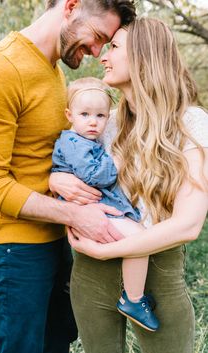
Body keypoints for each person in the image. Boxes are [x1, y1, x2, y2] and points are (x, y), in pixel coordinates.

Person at [0, 1, 137, 352]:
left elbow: (40, 155)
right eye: (96, 37)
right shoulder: (2, 70)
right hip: (12, 250)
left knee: (57, 342)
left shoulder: (52, 68)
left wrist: (53, 179)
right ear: (71, 6)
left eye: (104, 44)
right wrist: (76, 214)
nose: (96, 52)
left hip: (52, 241)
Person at [49, 18, 208, 353]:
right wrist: (55, 178)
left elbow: (189, 224)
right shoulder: (103, 122)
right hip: (90, 274)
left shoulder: (191, 122)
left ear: (144, 56)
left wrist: (109, 249)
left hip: (157, 276)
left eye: (115, 47)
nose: (103, 56)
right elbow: (69, 164)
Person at [51, 76, 159, 331]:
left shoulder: (85, 140)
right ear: (69, 114)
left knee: (138, 238)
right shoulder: (73, 142)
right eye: (85, 114)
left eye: (100, 115)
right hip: (88, 209)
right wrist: (117, 163)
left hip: (98, 207)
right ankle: (133, 299)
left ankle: (133, 293)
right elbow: (94, 176)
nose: (93, 121)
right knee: (139, 241)